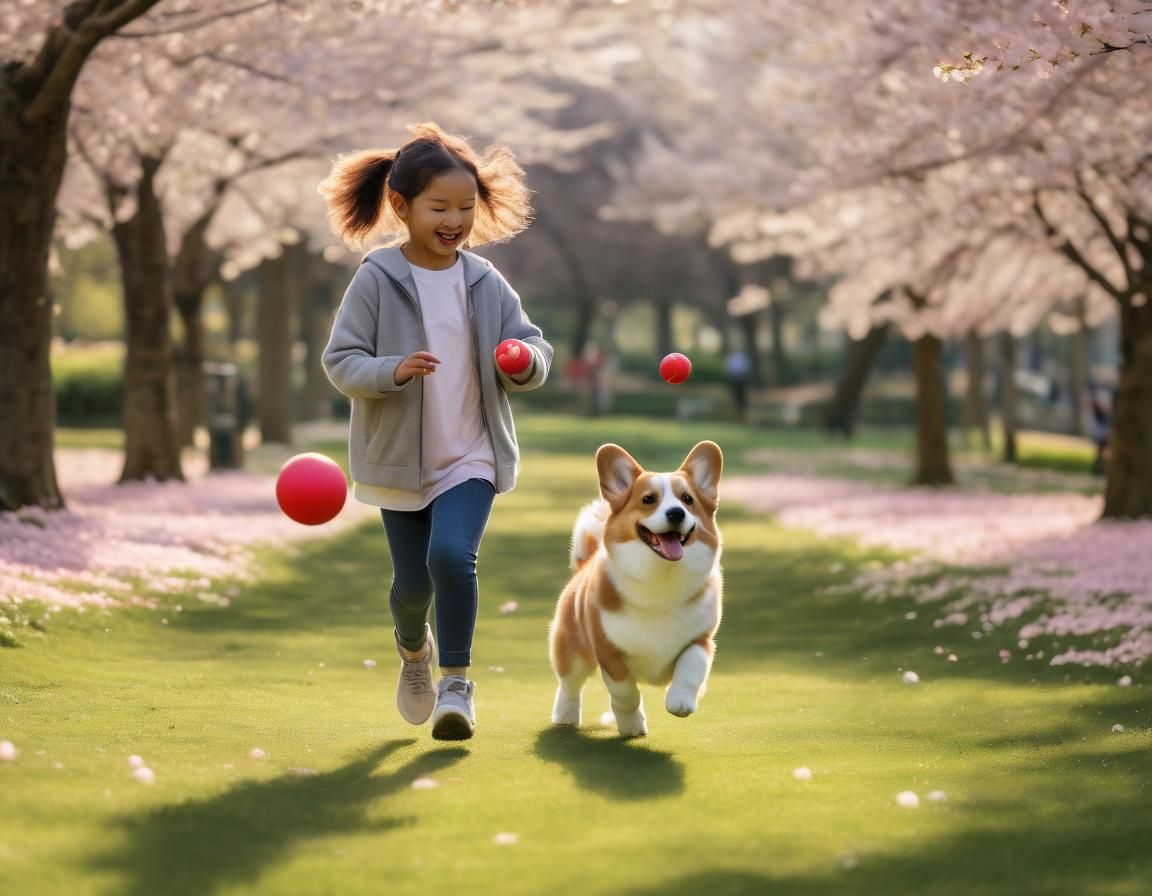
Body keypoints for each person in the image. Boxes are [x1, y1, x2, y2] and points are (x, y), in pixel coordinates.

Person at [319, 123, 553, 740]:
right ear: (402, 206)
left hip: (470, 455)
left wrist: (524, 361)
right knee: (411, 584)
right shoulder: (376, 278)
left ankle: (456, 684)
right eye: (440, 207)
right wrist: (391, 370)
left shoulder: (483, 280)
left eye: (467, 209)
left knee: (453, 557)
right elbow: (340, 361)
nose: (455, 221)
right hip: (399, 460)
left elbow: (532, 345)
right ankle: (411, 648)